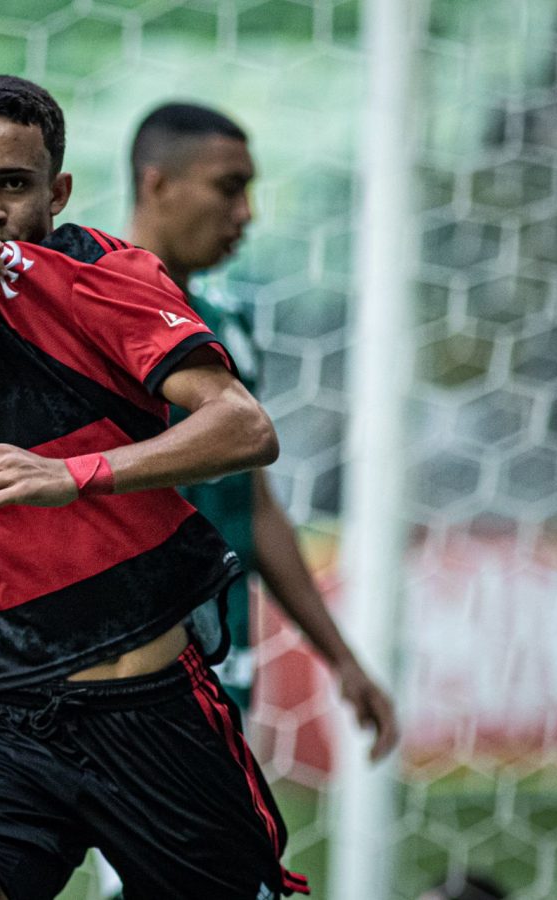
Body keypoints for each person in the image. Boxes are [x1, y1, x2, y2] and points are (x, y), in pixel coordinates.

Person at [0, 75, 309, 899]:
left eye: (13, 184)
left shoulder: (111, 278)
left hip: (151, 709)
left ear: (57, 191)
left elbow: (243, 427)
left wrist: (68, 476)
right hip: (13, 713)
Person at [127, 101, 400, 751]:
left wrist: (341, 658)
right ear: (155, 183)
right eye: (229, 187)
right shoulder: (91, 321)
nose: (245, 212)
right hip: (126, 671)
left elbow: (251, 503)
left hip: (221, 653)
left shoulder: (227, 324)